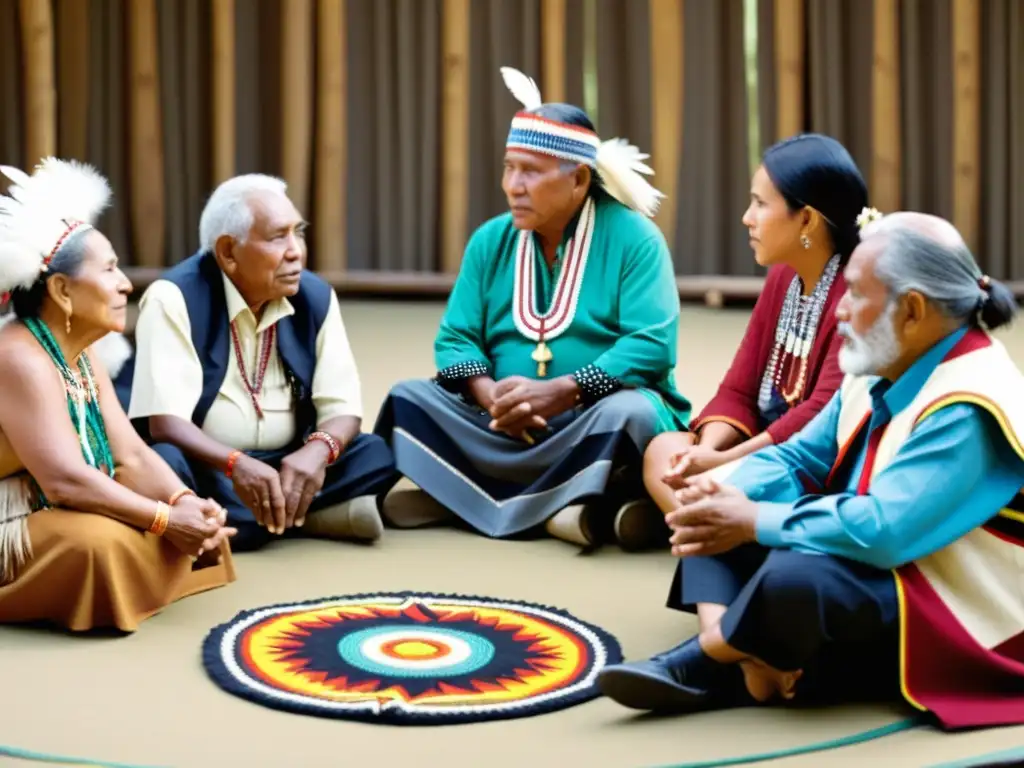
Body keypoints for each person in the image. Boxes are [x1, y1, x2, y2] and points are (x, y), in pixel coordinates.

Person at [597, 211, 1024, 729]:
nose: (839, 311)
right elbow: (800, 455)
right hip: (872, 555)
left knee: (796, 578)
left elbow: (886, 531)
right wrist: (722, 493)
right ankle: (748, 656)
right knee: (715, 509)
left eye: (856, 295)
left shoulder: (969, 405)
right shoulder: (884, 358)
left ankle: (708, 657)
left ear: (912, 310)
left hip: (942, 597)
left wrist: (752, 519)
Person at [374, 67, 691, 549]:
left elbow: (651, 345)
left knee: (632, 415)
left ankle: (467, 497)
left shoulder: (635, 239)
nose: (512, 185)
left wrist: (562, 392)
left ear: (579, 179)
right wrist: (490, 395)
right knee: (407, 399)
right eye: (508, 167)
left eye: (531, 171)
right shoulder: (490, 239)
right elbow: (456, 336)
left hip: (587, 417)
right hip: (500, 423)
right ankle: (568, 509)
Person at [0, 158, 236, 633]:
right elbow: (65, 480)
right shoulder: (18, 357)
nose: (125, 283)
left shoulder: (81, 353)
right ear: (62, 290)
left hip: (49, 497)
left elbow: (128, 452)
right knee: (103, 547)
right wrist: (167, 521)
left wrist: (183, 500)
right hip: (14, 508)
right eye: (109, 269)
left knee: (182, 523)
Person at [128, 174, 396, 552]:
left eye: (297, 233)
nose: (296, 251)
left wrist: (315, 453)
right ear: (228, 253)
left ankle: (260, 519)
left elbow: (344, 408)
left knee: (377, 453)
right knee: (165, 465)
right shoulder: (173, 297)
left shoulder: (315, 296)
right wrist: (237, 465)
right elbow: (165, 423)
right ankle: (311, 515)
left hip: (286, 462)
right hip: (211, 466)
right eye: (277, 237)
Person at [643, 134, 868, 527]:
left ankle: (714, 531)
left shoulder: (856, 293)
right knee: (666, 449)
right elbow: (740, 389)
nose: (747, 217)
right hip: (753, 452)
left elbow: (819, 416)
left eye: (761, 204)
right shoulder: (783, 276)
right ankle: (716, 529)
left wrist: (726, 460)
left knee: (740, 482)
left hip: (807, 464)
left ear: (807, 219)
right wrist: (705, 452)